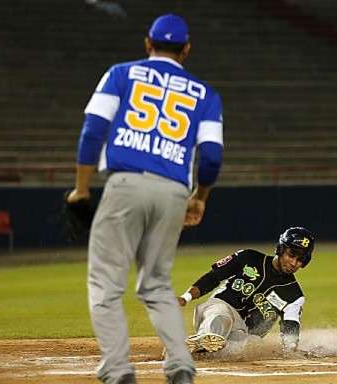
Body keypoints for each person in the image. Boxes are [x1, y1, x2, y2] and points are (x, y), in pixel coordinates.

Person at [66, 13, 224, 384]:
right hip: (173, 192)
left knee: (106, 285)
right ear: (186, 49)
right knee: (156, 285)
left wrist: (82, 188)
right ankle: (181, 367)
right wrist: (200, 197)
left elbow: (93, 131)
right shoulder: (205, 94)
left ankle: (119, 371)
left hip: (125, 185)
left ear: (147, 44)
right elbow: (213, 156)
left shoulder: (121, 74)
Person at [175, 227, 314, 355]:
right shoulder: (248, 258)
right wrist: (185, 298)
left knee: (255, 346)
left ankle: (202, 351)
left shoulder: (294, 295)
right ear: (280, 249)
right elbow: (213, 278)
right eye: (291, 255)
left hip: (242, 332)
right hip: (218, 309)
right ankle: (203, 338)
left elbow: (291, 325)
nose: (293, 263)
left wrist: (291, 350)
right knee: (222, 317)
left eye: (300, 260)